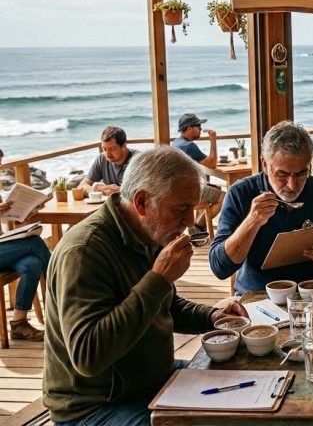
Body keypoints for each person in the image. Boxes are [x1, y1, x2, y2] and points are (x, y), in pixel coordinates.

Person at [43, 147, 247, 425]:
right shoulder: (85, 251)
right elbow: (88, 355)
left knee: (245, 398)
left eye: (193, 208)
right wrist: (159, 278)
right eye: (181, 209)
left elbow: (165, 305)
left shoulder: (148, 232)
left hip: (152, 380)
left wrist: (211, 317)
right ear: (142, 202)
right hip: (96, 405)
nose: (189, 221)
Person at [210, 122, 313, 295]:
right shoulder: (241, 193)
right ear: (264, 164)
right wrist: (251, 222)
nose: (292, 185)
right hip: (257, 295)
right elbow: (220, 268)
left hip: (310, 294)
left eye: (301, 174)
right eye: (282, 174)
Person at [0, 199, 51, 341]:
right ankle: (61, 299)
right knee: (35, 243)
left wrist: (25, 212)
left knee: (32, 264)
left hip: (4, 250)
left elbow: (7, 220)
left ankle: (18, 324)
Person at [171, 113, 225, 233]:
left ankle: (199, 229)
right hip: (186, 192)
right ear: (189, 128)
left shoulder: (177, 142)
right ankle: (198, 225)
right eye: (199, 127)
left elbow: (204, 162)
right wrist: (213, 141)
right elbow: (211, 163)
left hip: (176, 189)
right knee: (225, 197)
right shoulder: (189, 146)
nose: (200, 130)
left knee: (215, 188)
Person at [80, 126, 137, 195]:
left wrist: (119, 191)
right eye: (104, 149)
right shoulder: (102, 159)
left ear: (124, 146)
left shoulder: (138, 161)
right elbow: (82, 185)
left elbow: (145, 192)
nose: (108, 154)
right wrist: (95, 191)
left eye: (112, 149)